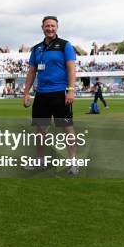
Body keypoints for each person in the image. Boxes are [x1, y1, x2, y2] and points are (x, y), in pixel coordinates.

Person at [23, 15, 79, 174]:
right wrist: (26, 93)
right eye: (47, 26)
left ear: (57, 28)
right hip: (41, 95)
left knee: (67, 128)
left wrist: (71, 90)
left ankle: (74, 163)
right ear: (42, 28)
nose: (50, 28)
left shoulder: (65, 45)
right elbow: (32, 71)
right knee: (40, 130)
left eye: (53, 26)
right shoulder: (37, 49)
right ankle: (41, 162)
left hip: (61, 93)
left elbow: (71, 69)